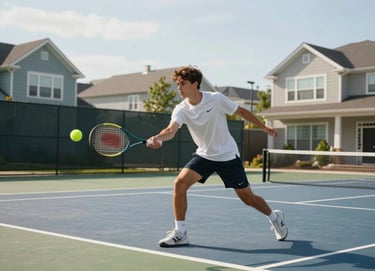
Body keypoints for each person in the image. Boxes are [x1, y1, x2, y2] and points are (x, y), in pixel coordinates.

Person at [147, 66, 287, 247]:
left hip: (227, 155)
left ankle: (275, 217)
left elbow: (242, 112)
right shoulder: (181, 109)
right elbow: (171, 130)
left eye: (183, 84)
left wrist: (263, 127)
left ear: (195, 84)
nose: (179, 88)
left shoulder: (216, 99)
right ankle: (181, 232)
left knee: (248, 198)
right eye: (177, 84)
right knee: (179, 183)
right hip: (204, 156)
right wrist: (158, 138)